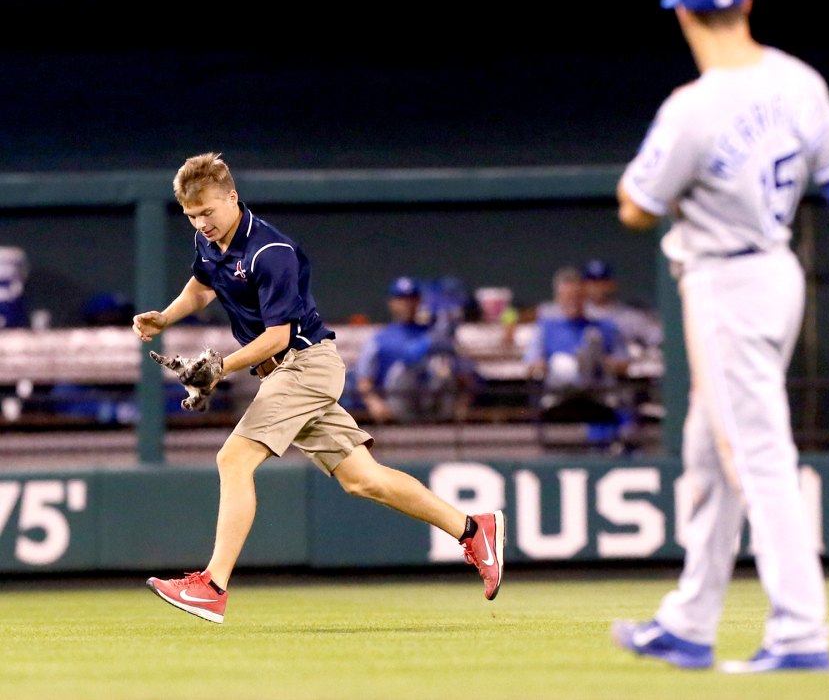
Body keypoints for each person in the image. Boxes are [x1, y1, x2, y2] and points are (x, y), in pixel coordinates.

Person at [611, 0, 829, 673]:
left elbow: (634, 209)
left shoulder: (693, 108)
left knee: (756, 454)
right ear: (746, 3)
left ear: (683, 14)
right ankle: (688, 622)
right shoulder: (797, 81)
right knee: (709, 453)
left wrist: (664, 192)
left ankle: (802, 631)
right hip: (778, 274)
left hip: (724, 285)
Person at [132, 153, 504, 623]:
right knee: (363, 479)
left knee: (233, 458)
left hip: (304, 364)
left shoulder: (271, 252)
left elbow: (278, 337)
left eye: (208, 211)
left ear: (232, 196)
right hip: (284, 372)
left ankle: (212, 586)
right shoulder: (209, 243)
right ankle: (473, 530)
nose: (201, 223)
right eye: (191, 215)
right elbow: (203, 286)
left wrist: (219, 367)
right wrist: (165, 316)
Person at [354, 276, 475, 424]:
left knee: (442, 370)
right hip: (397, 416)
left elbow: (465, 377)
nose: (407, 304)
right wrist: (374, 404)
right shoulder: (379, 340)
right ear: (391, 303)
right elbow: (364, 382)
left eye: (412, 299)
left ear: (419, 301)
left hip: (435, 416)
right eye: (402, 299)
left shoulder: (435, 336)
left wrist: (461, 405)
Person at [524, 266, 630, 423]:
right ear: (558, 298)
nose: (573, 302)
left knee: (592, 345)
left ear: (585, 297)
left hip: (598, 392)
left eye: (577, 297)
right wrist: (541, 366)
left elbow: (624, 363)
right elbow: (531, 364)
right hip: (560, 394)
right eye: (567, 297)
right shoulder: (546, 327)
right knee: (561, 362)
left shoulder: (604, 326)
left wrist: (603, 363)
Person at [580, 258, 663, 350]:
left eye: (602, 281)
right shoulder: (575, 314)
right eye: (592, 282)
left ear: (612, 284)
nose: (597, 287)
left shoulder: (629, 316)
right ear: (583, 286)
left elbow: (658, 337)